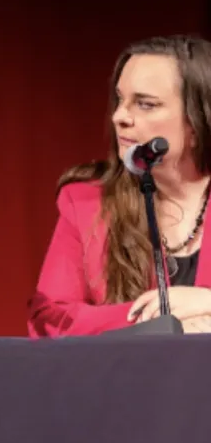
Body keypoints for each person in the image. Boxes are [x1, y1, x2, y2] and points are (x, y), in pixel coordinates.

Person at [29, 35, 211, 336]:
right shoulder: (88, 202)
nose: (119, 117)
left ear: (198, 122)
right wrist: (155, 321)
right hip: (128, 378)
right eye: (120, 100)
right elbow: (49, 318)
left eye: (145, 104)